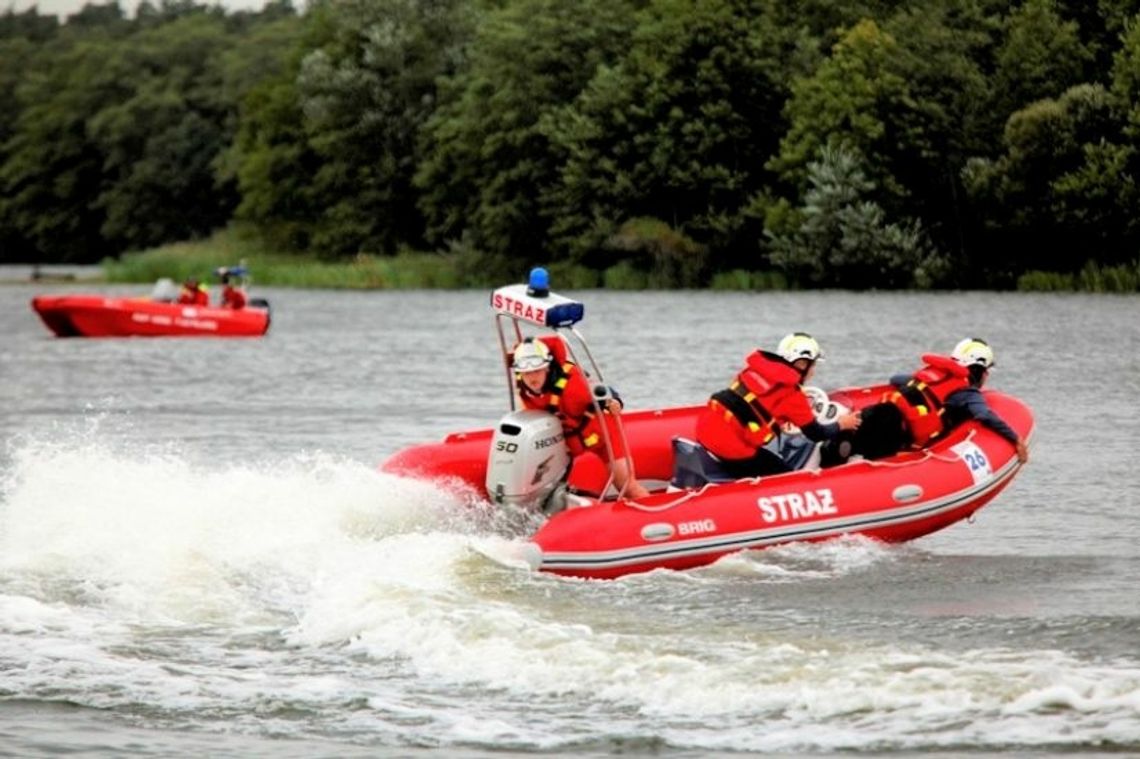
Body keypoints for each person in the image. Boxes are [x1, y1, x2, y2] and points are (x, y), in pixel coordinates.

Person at [695, 332, 862, 478]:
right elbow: (816, 434)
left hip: (705, 431)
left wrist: (778, 420)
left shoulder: (753, 370)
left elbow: (754, 404)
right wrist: (842, 424)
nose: (814, 371)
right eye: (813, 365)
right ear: (802, 364)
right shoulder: (792, 394)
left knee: (766, 457)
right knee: (785, 476)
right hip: (733, 449)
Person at [512, 336, 650, 500]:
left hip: (605, 435)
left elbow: (604, 391)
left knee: (627, 486)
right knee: (547, 488)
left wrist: (614, 402)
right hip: (571, 442)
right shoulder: (525, 392)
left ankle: (654, 514)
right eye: (526, 373)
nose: (532, 378)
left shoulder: (572, 382)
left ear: (547, 368)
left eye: (537, 370)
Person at [852, 337, 1029, 463]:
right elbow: (983, 414)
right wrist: (1015, 439)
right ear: (981, 370)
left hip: (877, 415)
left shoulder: (934, 375)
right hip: (894, 433)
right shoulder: (969, 393)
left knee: (849, 449)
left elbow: (896, 379)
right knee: (873, 462)